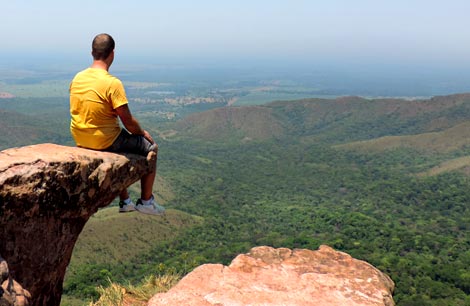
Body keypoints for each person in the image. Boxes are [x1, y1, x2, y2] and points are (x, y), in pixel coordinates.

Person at [69, 33, 165, 215]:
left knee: (113, 147)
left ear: (92, 53)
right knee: (152, 148)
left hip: (80, 137)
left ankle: (125, 201)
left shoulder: (78, 78)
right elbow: (128, 121)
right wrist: (142, 132)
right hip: (105, 139)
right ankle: (146, 202)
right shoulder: (112, 83)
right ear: (112, 53)